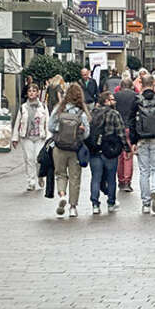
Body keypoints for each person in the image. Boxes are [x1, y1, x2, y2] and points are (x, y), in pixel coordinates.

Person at [48, 82, 90, 217]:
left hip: (59, 147)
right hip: (75, 148)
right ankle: (73, 207)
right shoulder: (81, 112)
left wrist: (61, 130)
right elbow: (86, 134)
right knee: (75, 177)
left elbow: (50, 126)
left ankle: (61, 195)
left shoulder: (59, 109)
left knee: (60, 174)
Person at [87, 90, 131, 214]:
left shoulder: (93, 113)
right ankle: (111, 202)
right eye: (112, 99)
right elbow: (121, 132)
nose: (114, 101)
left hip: (95, 150)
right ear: (106, 101)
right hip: (110, 150)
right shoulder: (114, 114)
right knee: (111, 178)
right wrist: (126, 148)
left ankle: (95, 204)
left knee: (95, 177)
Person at [129, 73, 155, 215]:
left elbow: (131, 122)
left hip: (141, 139)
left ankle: (146, 203)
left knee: (144, 171)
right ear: (154, 83)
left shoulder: (136, 101)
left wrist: (133, 141)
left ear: (141, 84)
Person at [11, 83, 49, 190]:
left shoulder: (43, 107)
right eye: (29, 91)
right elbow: (17, 122)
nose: (31, 93)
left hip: (40, 137)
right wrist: (15, 138)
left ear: (37, 93)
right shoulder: (23, 108)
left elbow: (48, 122)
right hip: (26, 137)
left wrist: (49, 138)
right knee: (29, 159)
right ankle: (31, 181)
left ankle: (40, 175)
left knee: (38, 159)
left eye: (33, 91)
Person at [113, 77, 139, 192]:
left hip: (117, 127)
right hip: (130, 127)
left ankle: (120, 180)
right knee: (128, 155)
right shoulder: (135, 96)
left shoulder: (115, 96)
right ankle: (127, 182)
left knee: (119, 155)